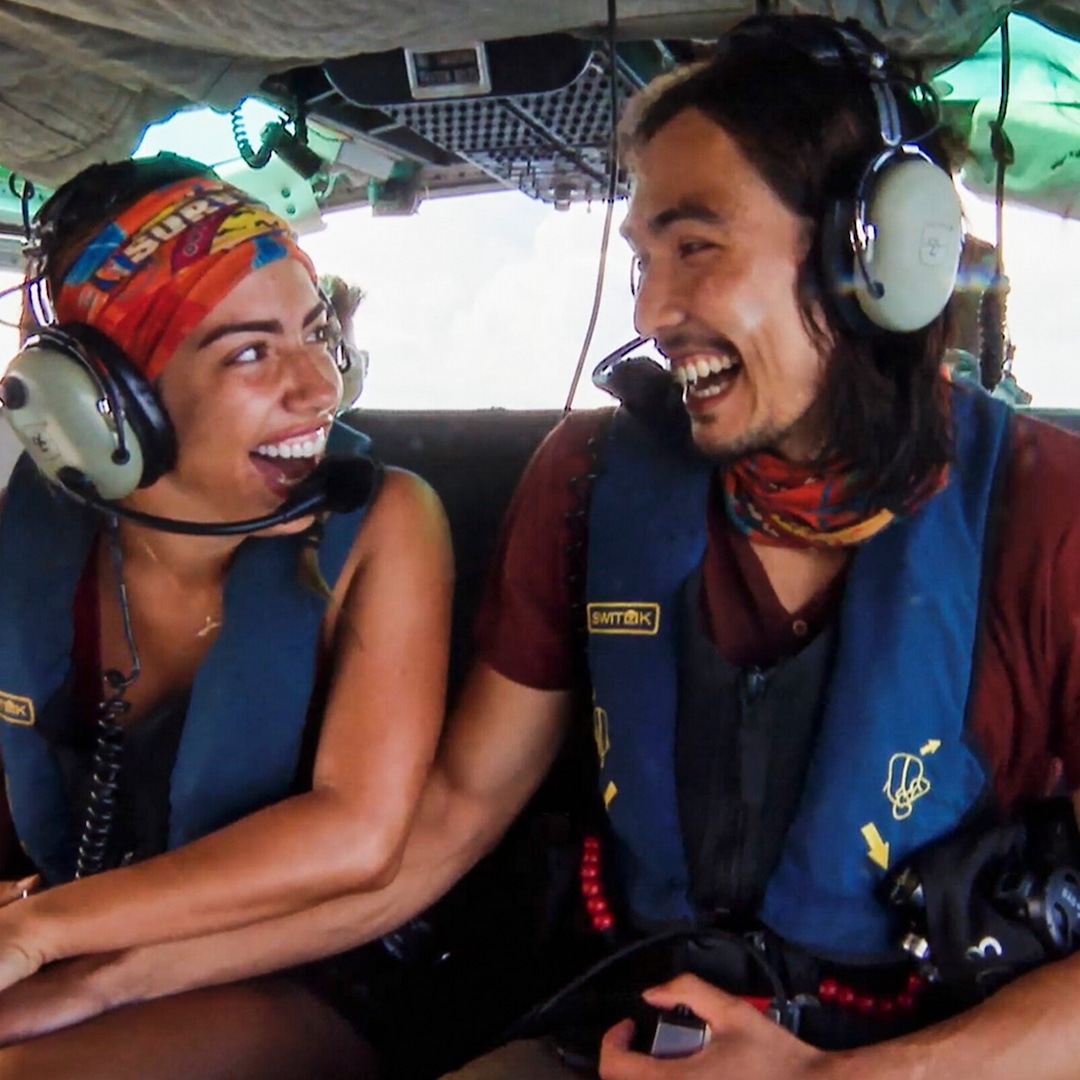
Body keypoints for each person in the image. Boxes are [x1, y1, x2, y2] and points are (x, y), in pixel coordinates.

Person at [2, 13, 1080, 1080]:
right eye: (642, 258)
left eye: (696, 247)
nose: (653, 309)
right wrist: (101, 978)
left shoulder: (1053, 513)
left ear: (874, 248)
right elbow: (446, 825)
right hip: (628, 1033)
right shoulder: (589, 481)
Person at [0, 154, 453, 1078]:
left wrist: (41, 931)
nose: (317, 388)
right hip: (80, 935)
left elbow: (356, 833)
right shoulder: (38, 542)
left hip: (307, 962)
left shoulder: (386, 522)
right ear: (105, 407)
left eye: (316, 333)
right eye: (250, 352)